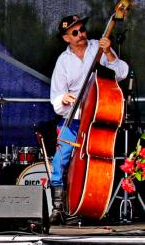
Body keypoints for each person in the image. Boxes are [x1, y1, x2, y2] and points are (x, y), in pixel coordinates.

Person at [48, 14, 128, 224]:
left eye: (82, 29)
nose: (81, 34)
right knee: (60, 161)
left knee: (96, 163)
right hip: (73, 120)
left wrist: (109, 52)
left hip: (96, 119)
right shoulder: (63, 61)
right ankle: (58, 208)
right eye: (75, 32)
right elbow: (56, 96)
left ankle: (91, 203)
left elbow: (121, 73)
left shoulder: (98, 48)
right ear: (66, 38)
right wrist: (63, 98)